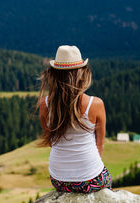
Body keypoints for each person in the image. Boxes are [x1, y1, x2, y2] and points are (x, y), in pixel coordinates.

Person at [36, 45, 112, 193]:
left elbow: (51, 141)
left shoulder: (44, 105)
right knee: (107, 179)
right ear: (81, 73)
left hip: (59, 180)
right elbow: (99, 146)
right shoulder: (95, 104)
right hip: (91, 178)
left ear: (54, 74)